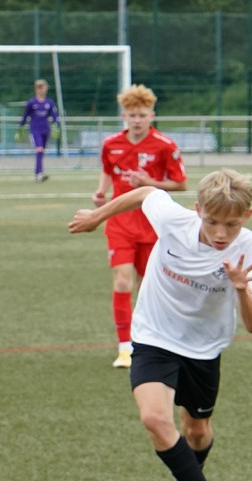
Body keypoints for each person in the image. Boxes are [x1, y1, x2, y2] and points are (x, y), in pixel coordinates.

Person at [68, 168, 252, 481]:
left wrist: (242, 289)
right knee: (155, 420)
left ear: (247, 216)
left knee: (196, 431)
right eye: (212, 221)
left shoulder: (251, 248)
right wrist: (97, 217)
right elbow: (145, 192)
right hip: (154, 336)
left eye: (232, 224)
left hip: (203, 348)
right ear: (197, 210)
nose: (221, 233)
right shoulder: (174, 220)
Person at [93, 84, 187, 369]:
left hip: (153, 225)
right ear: (124, 115)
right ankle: (124, 347)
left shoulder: (165, 145)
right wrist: (101, 192)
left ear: (152, 116)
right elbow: (107, 170)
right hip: (120, 223)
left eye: (142, 115)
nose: (137, 120)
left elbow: (180, 184)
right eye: (132, 115)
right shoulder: (111, 144)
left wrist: (150, 183)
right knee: (122, 282)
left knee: (149, 287)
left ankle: (149, 341)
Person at [18, 78, 60, 183]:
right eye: (39, 88)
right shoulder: (32, 103)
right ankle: (39, 174)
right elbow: (25, 115)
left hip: (45, 130)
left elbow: (54, 115)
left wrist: (56, 125)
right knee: (39, 149)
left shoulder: (49, 103)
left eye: (43, 88)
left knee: (42, 152)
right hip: (35, 130)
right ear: (36, 89)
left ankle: (37, 174)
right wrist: (20, 128)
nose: (42, 90)